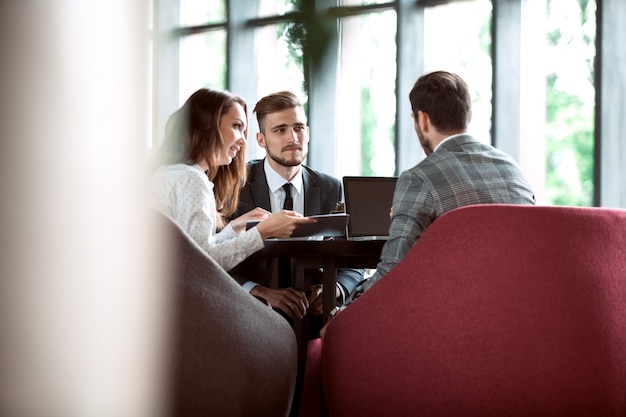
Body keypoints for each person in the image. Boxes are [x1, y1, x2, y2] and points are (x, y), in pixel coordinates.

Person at [322, 71, 536, 333]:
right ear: (467, 114)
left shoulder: (420, 178)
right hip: (519, 318)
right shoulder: (513, 169)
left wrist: (342, 315)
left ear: (422, 120)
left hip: (451, 325)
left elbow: (393, 274)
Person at [229, 90, 364, 322]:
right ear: (261, 139)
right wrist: (257, 292)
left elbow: (353, 261)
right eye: (280, 130)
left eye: (299, 128)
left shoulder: (332, 187)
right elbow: (212, 254)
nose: (292, 138)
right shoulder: (235, 187)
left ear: (308, 132)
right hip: (248, 316)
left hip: (312, 319)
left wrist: (336, 289)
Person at [150, 88, 316, 272]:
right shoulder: (191, 179)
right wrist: (262, 232)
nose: (243, 141)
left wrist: (235, 228)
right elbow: (205, 263)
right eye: (237, 126)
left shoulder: (172, 174)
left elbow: (196, 249)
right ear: (208, 124)